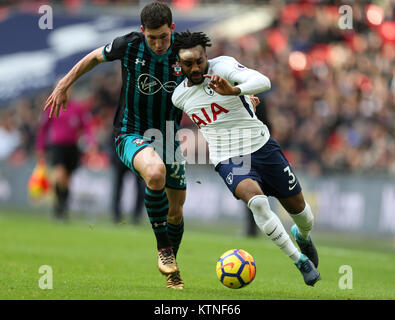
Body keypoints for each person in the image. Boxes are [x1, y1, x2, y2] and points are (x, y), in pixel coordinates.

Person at [43, 2, 186, 289]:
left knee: (176, 212)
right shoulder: (129, 45)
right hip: (130, 132)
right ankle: (164, 249)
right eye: (152, 37)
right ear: (143, 31)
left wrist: (237, 94)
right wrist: (64, 83)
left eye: (164, 37)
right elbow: (94, 57)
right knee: (155, 173)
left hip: (169, 137)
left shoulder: (186, 50)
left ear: (172, 29)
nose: (158, 44)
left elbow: (213, 70)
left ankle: (172, 269)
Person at [172, 31, 320, 286]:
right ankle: (300, 261)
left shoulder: (224, 66)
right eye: (188, 63)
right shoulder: (179, 97)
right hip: (228, 158)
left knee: (303, 215)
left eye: (199, 60)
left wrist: (236, 91)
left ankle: (302, 236)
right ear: (179, 64)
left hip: (262, 147)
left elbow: (263, 81)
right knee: (258, 203)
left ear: (206, 56)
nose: (195, 68)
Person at [36, 100, 96, 220]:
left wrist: (91, 142)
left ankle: (62, 207)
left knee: (67, 180)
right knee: (60, 175)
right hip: (57, 146)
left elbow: (86, 126)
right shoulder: (51, 108)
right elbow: (43, 128)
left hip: (72, 147)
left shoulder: (78, 108)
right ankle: (59, 206)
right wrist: (41, 147)